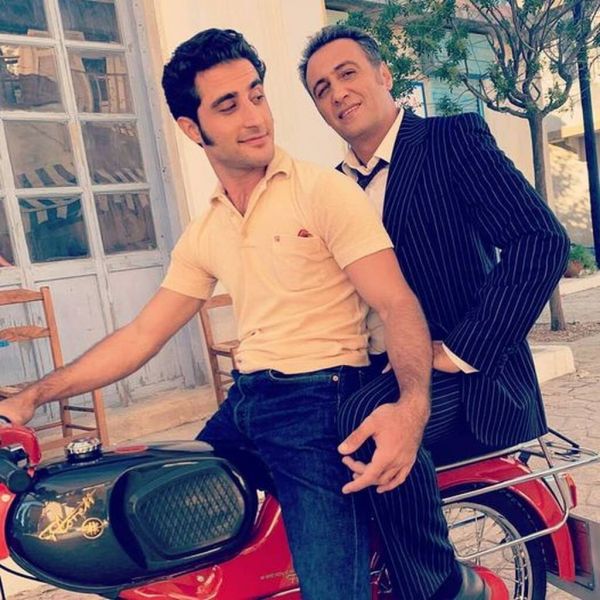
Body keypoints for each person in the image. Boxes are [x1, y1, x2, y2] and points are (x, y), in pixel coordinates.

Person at [0, 28, 436, 600]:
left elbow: (397, 302)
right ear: (192, 128)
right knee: (160, 536)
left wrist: (411, 409)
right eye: (229, 106)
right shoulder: (207, 228)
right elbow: (143, 335)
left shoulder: (322, 193)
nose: (255, 117)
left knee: (332, 590)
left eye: (257, 95)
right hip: (245, 403)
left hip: (320, 404)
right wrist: (33, 395)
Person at [299, 24, 570, 600]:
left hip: (468, 377)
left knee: (370, 419)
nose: (337, 92)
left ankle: (439, 588)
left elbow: (541, 240)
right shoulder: (330, 189)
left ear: (384, 75)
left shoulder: (452, 141)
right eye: (321, 88)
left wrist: (464, 349)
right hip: (373, 364)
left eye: (347, 73)